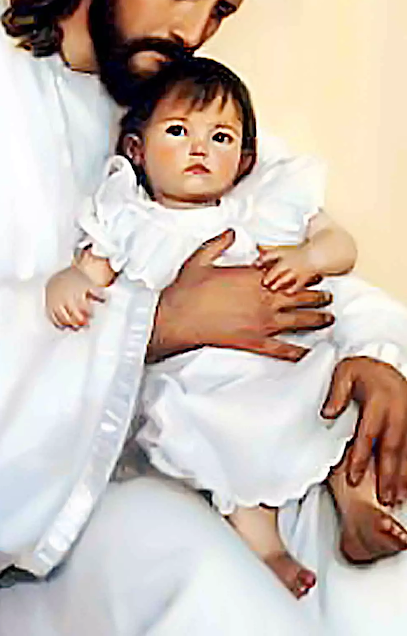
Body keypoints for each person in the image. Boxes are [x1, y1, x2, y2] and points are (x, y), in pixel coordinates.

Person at [0, 0, 407, 636]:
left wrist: (377, 356)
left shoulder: (171, 97)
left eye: (220, 11)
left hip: (229, 445)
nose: (193, 31)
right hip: (60, 512)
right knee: (215, 595)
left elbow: (277, 233)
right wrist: (161, 322)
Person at [45, 55, 363, 600]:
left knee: (336, 393)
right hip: (198, 377)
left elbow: (341, 247)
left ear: (243, 160)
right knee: (220, 434)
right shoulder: (129, 218)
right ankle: (265, 544)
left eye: (220, 137)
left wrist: (308, 257)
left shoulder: (255, 213)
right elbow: (90, 270)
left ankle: (359, 505)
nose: (200, 149)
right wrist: (68, 283)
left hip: (278, 362)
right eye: (178, 131)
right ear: (136, 149)